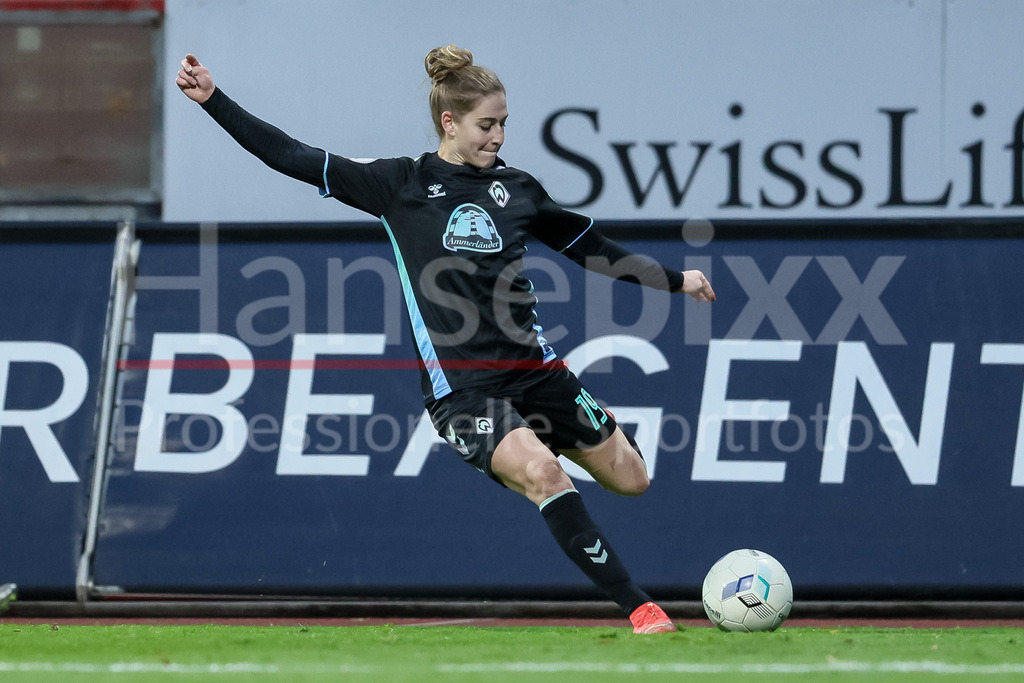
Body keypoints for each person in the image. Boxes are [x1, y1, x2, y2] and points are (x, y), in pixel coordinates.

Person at [176, 45, 715, 634]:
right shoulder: (399, 184)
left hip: (540, 372)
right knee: (544, 476)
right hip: (464, 390)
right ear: (449, 122)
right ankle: (640, 607)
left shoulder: (520, 189)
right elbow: (293, 156)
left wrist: (674, 281)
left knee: (633, 481)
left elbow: (591, 249)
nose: (498, 137)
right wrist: (214, 101)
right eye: (487, 125)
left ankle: (564, 436)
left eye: (505, 123)